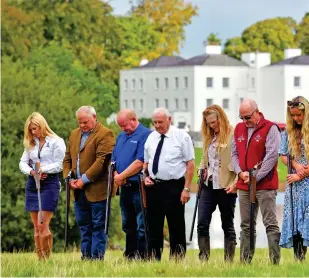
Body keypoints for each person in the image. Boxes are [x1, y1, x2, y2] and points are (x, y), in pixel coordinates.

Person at [231, 98, 281, 264]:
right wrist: (239, 173)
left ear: (257, 112)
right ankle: (245, 261)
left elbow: (272, 156)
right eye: (242, 118)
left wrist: (255, 176)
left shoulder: (270, 128)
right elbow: (234, 154)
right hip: (244, 184)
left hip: (265, 185)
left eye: (248, 117)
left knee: (270, 223)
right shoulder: (238, 128)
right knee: (246, 224)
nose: (245, 121)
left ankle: (275, 261)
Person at [62, 106, 115, 260]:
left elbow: (101, 162)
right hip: (78, 191)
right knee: (84, 226)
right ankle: (86, 258)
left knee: (98, 226)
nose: (82, 125)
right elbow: (67, 159)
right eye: (80, 122)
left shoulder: (106, 134)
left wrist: (83, 180)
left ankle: (97, 259)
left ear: (94, 117)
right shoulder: (74, 134)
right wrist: (68, 177)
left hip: (98, 189)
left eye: (85, 122)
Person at [143, 108, 195, 260]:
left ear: (169, 119)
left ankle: (178, 259)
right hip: (154, 186)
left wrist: (186, 189)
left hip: (174, 186)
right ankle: (154, 258)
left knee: (176, 225)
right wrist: (145, 176)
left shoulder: (181, 137)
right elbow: (146, 163)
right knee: (153, 225)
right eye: (155, 122)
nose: (157, 125)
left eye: (160, 122)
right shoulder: (151, 138)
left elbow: (190, 165)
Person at [19, 112, 66, 259]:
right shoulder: (31, 142)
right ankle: (40, 260)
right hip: (33, 184)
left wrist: (43, 169)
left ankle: (47, 259)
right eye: (31, 129)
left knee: (42, 225)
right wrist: (32, 171)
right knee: (35, 227)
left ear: (42, 125)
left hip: (50, 184)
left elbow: (60, 165)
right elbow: (22, 162)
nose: (33, 132)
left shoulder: (57, 141)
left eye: (35, 128)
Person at [198, 105, 237, 262]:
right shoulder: (209, 136)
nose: (212, 126)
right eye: (209, 123)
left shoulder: (233, 135)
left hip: (226, 186)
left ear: (221, 118)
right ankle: (203, 259)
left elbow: (239, 161)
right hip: (209, 185)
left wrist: (235, 182)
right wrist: (201, 169)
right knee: (202, 223)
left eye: (214, 122)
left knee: (227, 224)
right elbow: (204, 158)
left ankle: (228, 261)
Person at [112, 109, 151, 260]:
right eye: (120, 126)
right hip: (124, 187)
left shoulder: (145, 135)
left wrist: (121, 175)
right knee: (128, 224)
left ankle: (143, 256)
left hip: (138, 187)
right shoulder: (122, 136)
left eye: (125, 125)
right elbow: (114, 159)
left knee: (142, 224)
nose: (123, 129)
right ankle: (130, 254)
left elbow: (140, 162)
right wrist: (116, 176)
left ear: (134, 120)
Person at [279, 96, 309, 261]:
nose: (296, 118)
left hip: (307, 183)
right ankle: (300, 260)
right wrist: (296, 166)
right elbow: (283, 155)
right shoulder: (288, 132)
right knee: (296, 222)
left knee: (307, 219)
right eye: (293, 116)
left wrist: (302, 173)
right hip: (295, 187)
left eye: (299, 115)